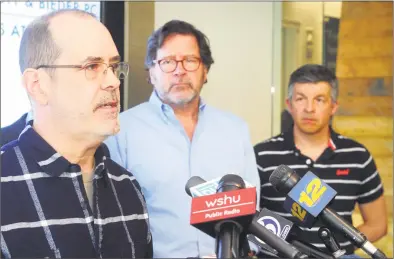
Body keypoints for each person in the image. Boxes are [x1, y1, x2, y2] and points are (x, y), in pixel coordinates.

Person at [1, 9, 152, 258]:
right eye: (92, 66)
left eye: (113, 66)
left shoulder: (126, 186)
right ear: (38, 86)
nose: (113, 82)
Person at [105, 20, 260, 258]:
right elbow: (113, 219)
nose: (180, 71)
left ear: (205, 70)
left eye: (190, 60)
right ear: (151, 72)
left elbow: (252, 210)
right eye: (167, 62)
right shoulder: (120, 131)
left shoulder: (235, 129)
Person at [254, 64, 387, 256]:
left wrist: (340, 249)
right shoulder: (261, 154)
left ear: (333, 106)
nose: (309, 108)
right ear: (289, 104)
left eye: (319, 100)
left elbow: (378, 224)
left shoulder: (358, 156)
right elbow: (248, 220)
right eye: (301, 99)